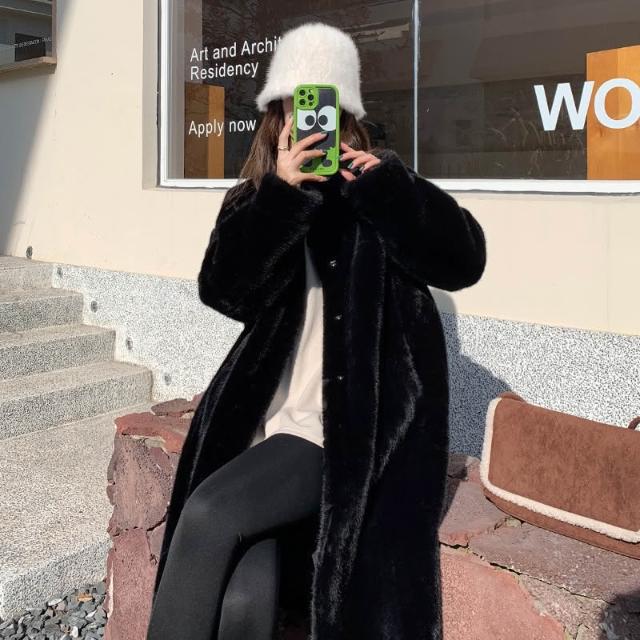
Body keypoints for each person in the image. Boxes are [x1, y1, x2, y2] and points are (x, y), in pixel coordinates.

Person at [147, 21, 487, 640]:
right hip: (256, 417)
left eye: (322, 105)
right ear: (275, 114)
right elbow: (223, 292)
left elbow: (463, 262)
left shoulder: (377, 194)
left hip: (333, 428)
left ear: (346, 112)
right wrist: (280, 196)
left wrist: (390, 189)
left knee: (209, 515)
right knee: (245, 593)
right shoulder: (257, 199)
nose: (307, 122)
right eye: (292, 104)